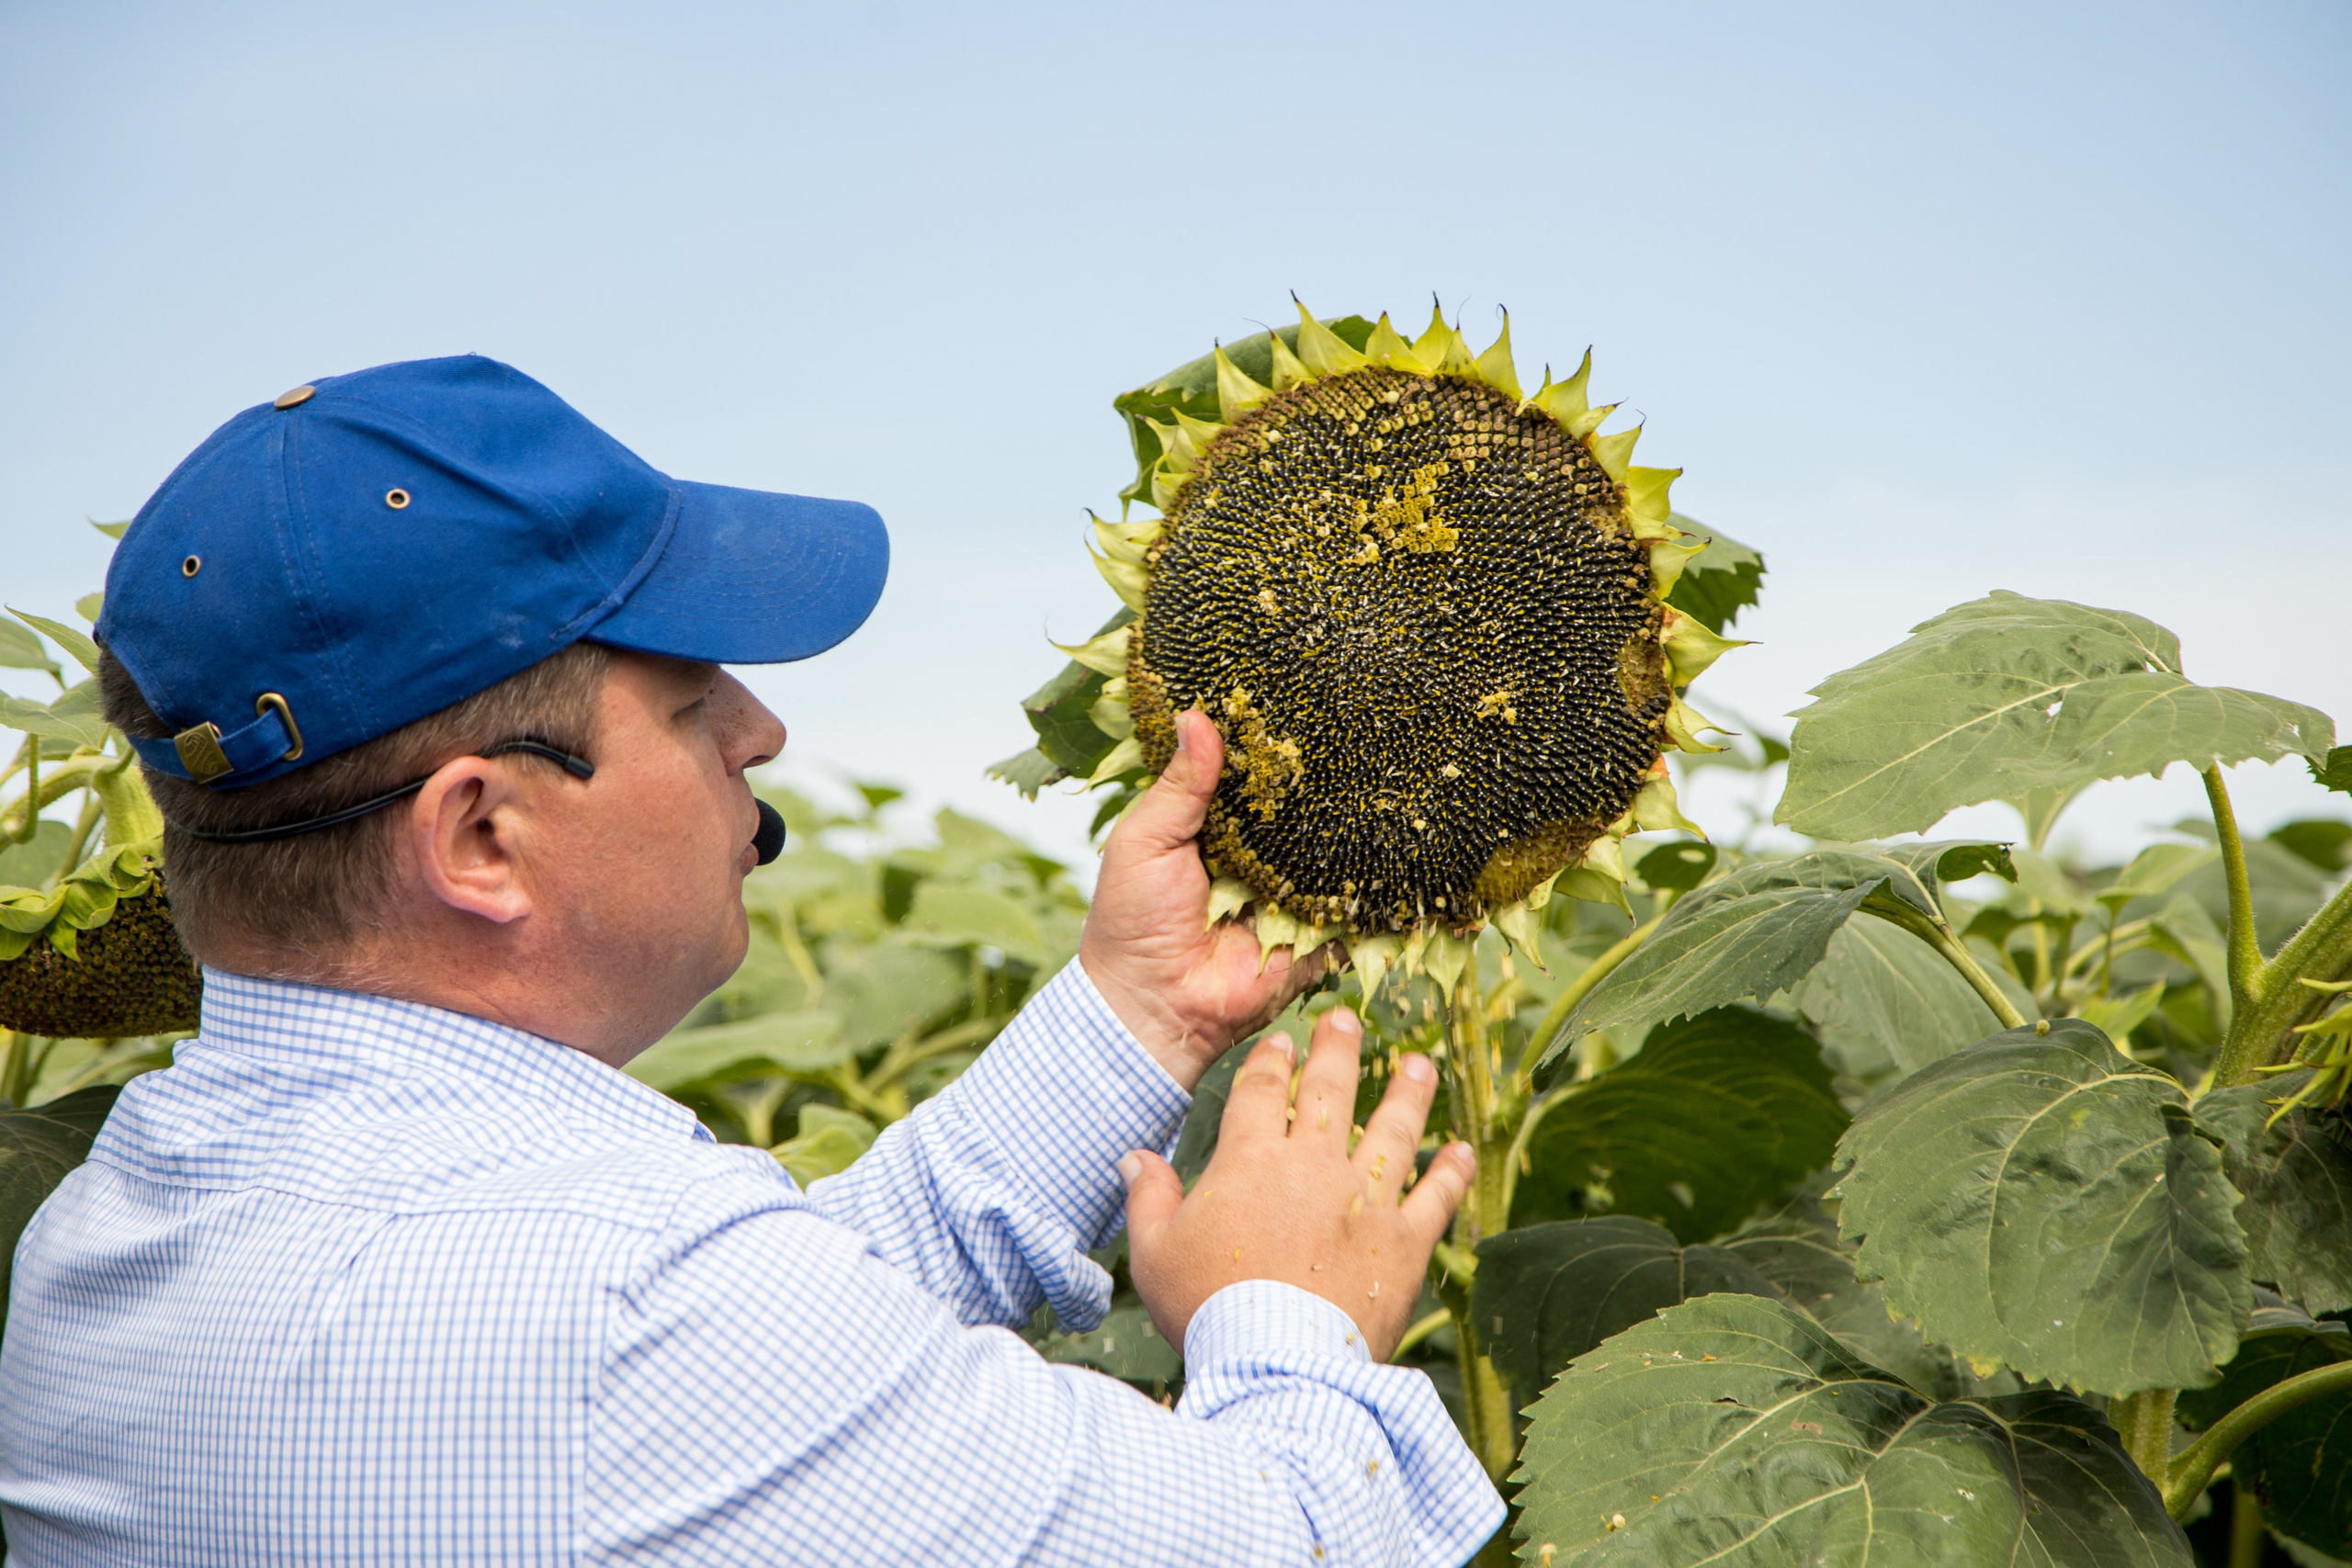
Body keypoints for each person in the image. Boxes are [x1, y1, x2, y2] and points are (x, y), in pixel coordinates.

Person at [0, 356, 1504, 1565]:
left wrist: (1146, 1010)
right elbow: (1298, 1536)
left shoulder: (112, 1234)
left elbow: (791, 1339)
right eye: (681, 696)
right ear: (483, 840)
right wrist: (1284, 1312)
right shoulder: (642, 1311)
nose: (758, 728)